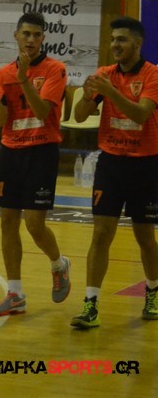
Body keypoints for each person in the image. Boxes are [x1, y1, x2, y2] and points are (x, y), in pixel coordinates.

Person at [0, 11, 71, 315]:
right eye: (26, 34)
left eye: (36, 35)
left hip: (42, 151)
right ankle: (15, 293)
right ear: (16, 36)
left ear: (43, 38)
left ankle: (58, 264)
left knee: (34, 225)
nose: (31, 39)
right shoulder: (3, 74)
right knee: (7, 221)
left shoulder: (55, 69)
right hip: (12, 151)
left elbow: (42, 112)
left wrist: (25, 79)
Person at [69, 17, 158, 328]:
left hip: (145, 164)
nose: (115, 45)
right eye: (113, 40)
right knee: (101, 233)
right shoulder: (104, 74)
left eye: (122, 39)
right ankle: (90, 304)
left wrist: (111, 92)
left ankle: (153, 292)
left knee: (145, 236)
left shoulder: (152, 74)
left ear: (137, 43)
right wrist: (87, 97)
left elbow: (141, 113)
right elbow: (80, 117)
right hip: (111, 164)